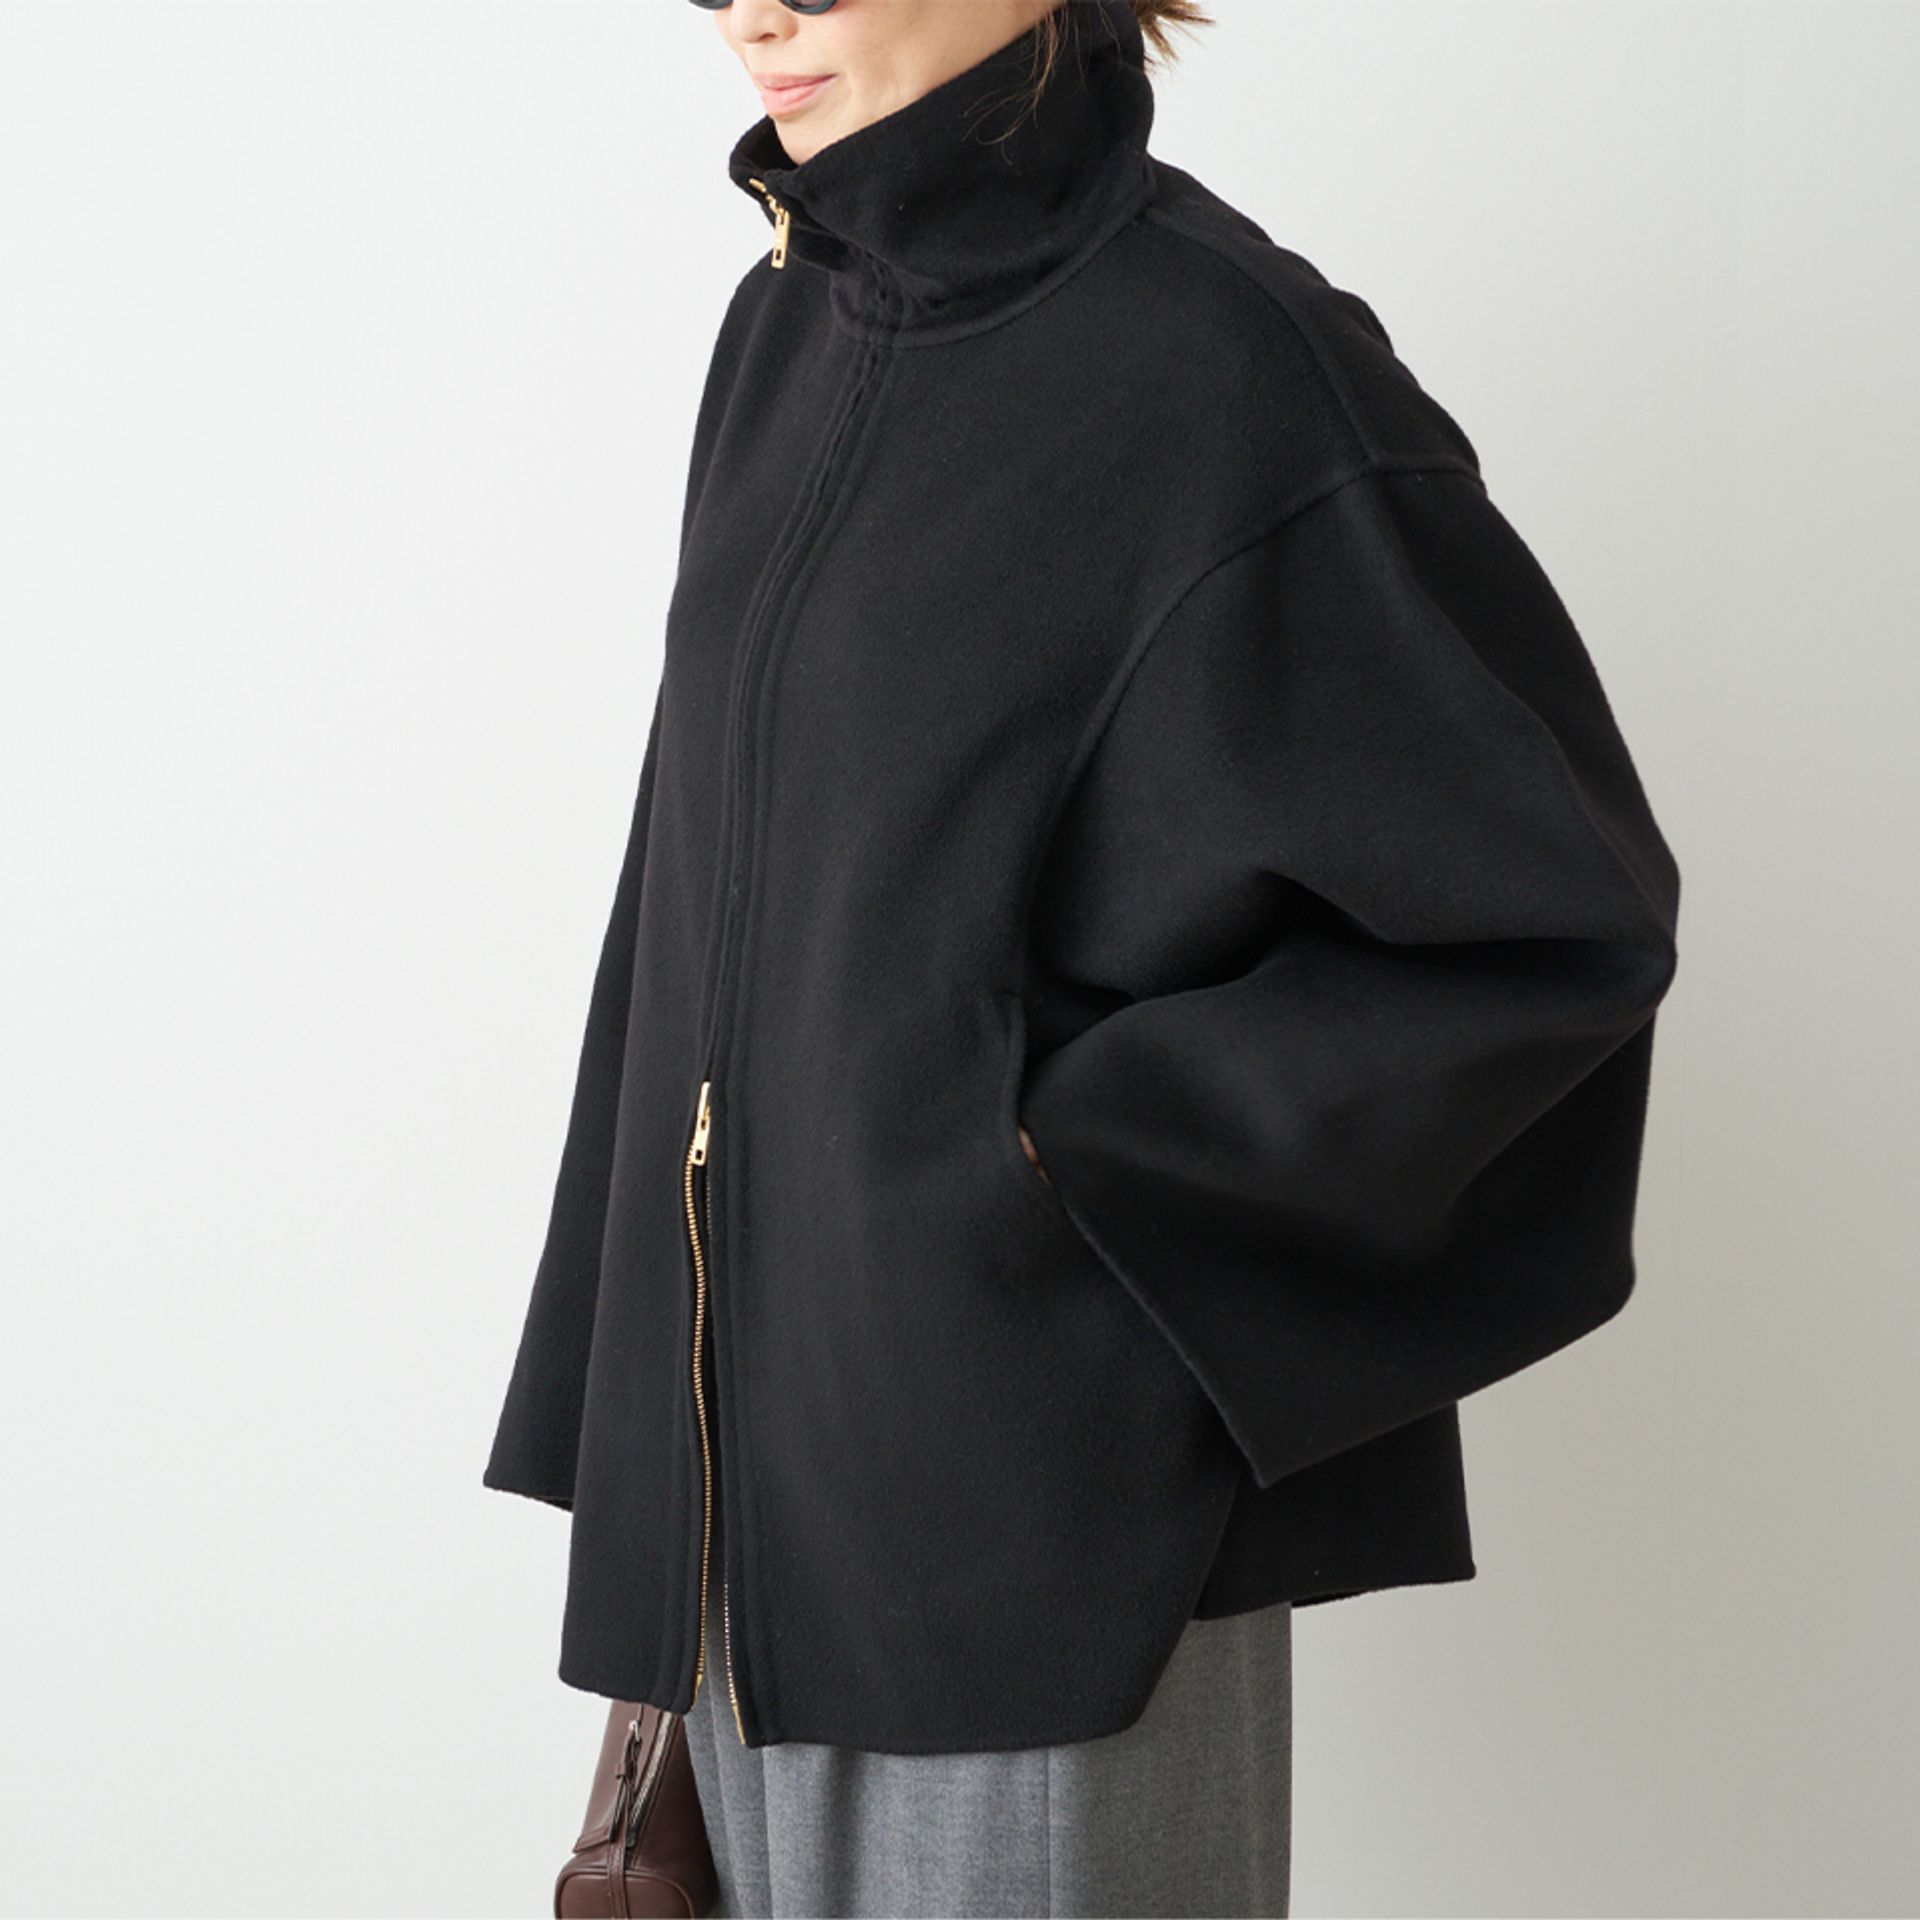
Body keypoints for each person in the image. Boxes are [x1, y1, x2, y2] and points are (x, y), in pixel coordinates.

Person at [482, 2, 1683, 1914]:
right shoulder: (785, 328)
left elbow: (1547, 928)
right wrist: (633, 1454)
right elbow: (688, 902)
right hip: (750, 1544)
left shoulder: (1228, 365)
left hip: (1038, 1543)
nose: (750, 11)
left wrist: (1059, 1164)